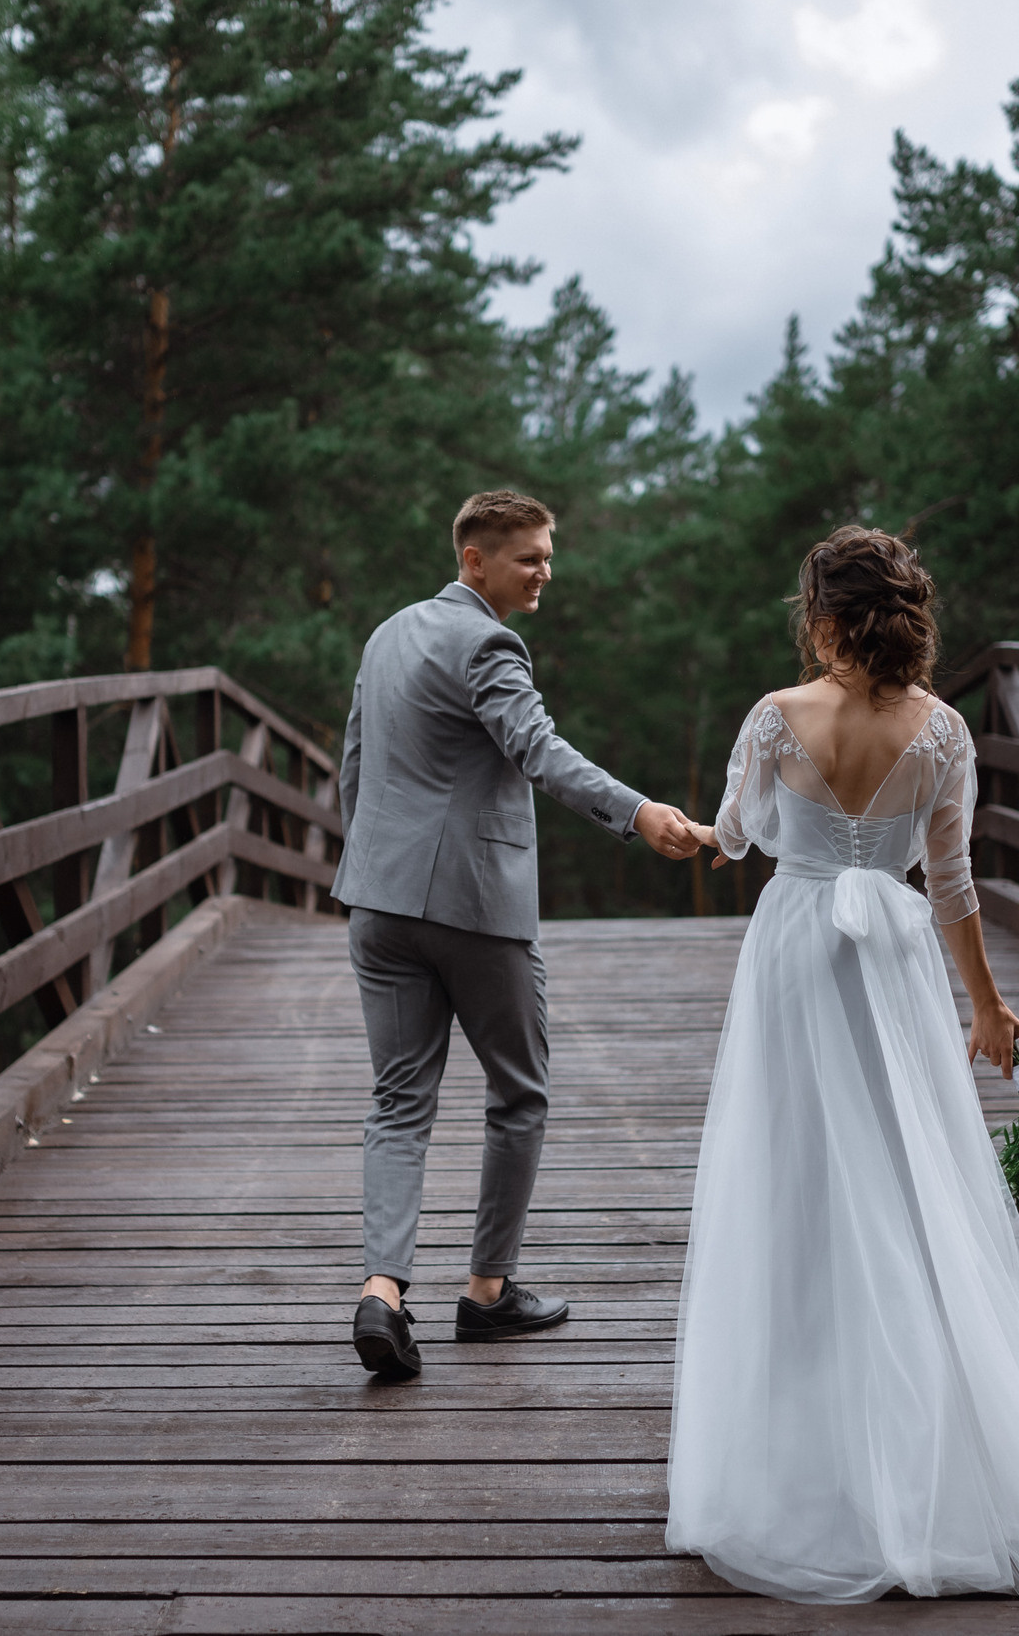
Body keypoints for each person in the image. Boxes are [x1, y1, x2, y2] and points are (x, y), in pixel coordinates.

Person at [665, 525, 1019, 1601]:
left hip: (794, 953)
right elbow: (953, 884)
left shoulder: (775, 716)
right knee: (909, 1181)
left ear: (821, 616)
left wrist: (689, 828)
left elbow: (738, 836)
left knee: (793, 1183)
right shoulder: (940, 731)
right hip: (891, 959)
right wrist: (985, 1002)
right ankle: (932, 1450)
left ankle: (801, 1460)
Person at [331, 489, 704, 1380]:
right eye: (529, 557)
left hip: (377, 903)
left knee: (398, 1098)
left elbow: (355, 762)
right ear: (475, 562)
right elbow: (538, 748)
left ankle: (382, 1291)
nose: (546, 571)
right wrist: (638, 811)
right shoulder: (488, 641)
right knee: (519, 1090)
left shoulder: (388, 634)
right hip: (472, 908)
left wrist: (371, 871)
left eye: (548, 553)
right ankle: (489, 1293)